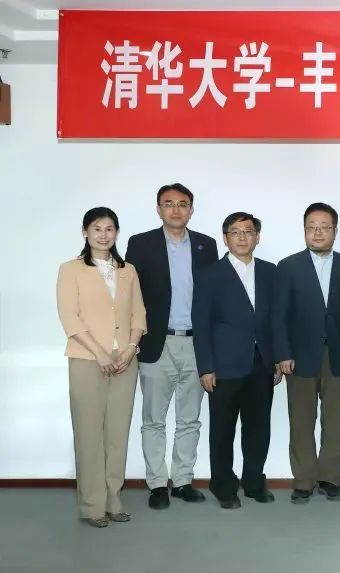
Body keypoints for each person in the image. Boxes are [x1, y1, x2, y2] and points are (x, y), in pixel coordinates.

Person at [125, 183, 218, 510]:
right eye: (169, 203)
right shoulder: (141, 244)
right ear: (158, 209)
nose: (176, 210)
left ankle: (182, 481)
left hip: (195, 343)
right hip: (156, 342)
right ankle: (156, 484)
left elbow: (212, 298)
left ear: (191, 210)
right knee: (154, 419)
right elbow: (130, 295)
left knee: (189, 418)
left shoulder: (206, 245)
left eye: (182, 204)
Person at [56, 207, 146, 527]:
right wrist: (100, 353)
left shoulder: (127, 270)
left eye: (109, 229)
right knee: (89, 433)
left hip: (125, 361)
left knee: (117, 433)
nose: (103, 235)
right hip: (86, 359)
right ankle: (93, 505)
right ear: (85, 232)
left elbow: (138, 314)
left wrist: (131, 349)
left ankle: (113, 499)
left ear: (116, 233)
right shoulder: (71, 269)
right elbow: (70, 316)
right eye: (97, 229)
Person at [193, 212, 280, 509]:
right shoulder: (209, 274)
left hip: (261, 363)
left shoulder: (269, 271)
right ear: (225, 238)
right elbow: (201, 324)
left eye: (248, 231)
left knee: (258, 428)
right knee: (223, 430)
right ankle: (223, 486)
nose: (242, 237)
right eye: (235, 232)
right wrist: (206, 367)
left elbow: (275, 320)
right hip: (223, 366)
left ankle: (254, 482)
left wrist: (277, 358)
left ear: (257, 237)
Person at [272, 203, 340, 504]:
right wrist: (282, 354)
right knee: (301, 421)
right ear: (304, 230)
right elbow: (278, 315)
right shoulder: (288, 266)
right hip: (299, 356)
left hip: (339, 355)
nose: (318, 233)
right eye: (311, 227)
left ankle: (330, 478)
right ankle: (304, 480)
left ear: (335, 231)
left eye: (324, 227)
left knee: (335, 421)